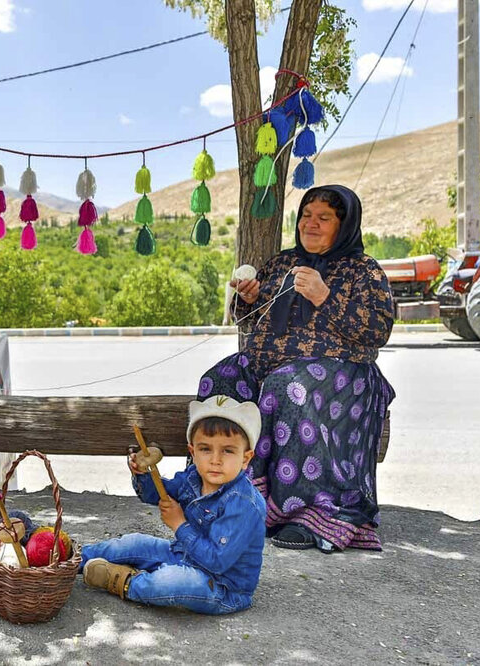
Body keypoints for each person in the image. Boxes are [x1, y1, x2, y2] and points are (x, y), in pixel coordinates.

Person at [201, 184, 395, 553]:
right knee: (220, 379)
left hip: (343, 373)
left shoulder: (363, 270)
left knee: (287, 387)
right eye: (306, 216)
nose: (311, 224)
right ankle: (227, 493)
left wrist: (325, 296)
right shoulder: (281, 263)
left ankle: (304, 513)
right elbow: (250, 321)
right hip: (273, 365)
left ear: (345, 224)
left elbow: (378, 331)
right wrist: (249, 299)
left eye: (324, 218)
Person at [81, 395, 266, 615]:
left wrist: (179, 524)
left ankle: (126, 581)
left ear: (246, 458)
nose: (215, 460)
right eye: (206, 449)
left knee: (170, 582)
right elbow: (158, 494)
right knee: (133, 543)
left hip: (220, 586)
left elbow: (217, 561)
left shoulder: (243, 503)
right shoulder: (193, 476)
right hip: (182, 553)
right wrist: (142, 474)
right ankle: (72, 559)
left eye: (228, 450)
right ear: (193, 452)